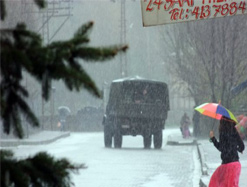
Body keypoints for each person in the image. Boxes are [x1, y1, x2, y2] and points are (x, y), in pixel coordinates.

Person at [209, 116, 245, 187]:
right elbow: (242, 146)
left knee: (216, 183)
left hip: (226, 166)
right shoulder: (234, 131)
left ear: (222, 123)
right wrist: (236, 149)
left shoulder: (223, 133)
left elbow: (221, 148)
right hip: (236, 165)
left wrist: (213, 138)